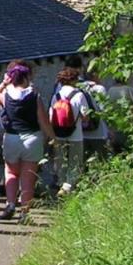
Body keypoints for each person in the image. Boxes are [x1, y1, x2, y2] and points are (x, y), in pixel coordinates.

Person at [0, 61, 54, 223]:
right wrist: (53, 136)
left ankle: (10, 204)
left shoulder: (6, 96)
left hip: (11, 137)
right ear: (26, 78)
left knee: (11, 173)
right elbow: (43, 120)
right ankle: (24, 213)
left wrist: (3, 83)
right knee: (28, 178)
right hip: (32, 137)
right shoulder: (34, 96)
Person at [50, 66, 89, 195]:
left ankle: (60, 183)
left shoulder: (56, 96)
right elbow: (85, 115)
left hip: (59, 133)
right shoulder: (79, 95)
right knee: (75, 160)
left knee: (60, 159)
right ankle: (69, 186)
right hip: (76, 134)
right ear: (74, 80)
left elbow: (51, 115)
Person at [78, 69, 111, 166]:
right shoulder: (99, 88)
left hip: (83, 133)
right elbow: (104, 111)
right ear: (95, 75)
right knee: (103, 163)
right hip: (99, 133)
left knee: (85, 165)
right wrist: (110, 129)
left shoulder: (80, 88)